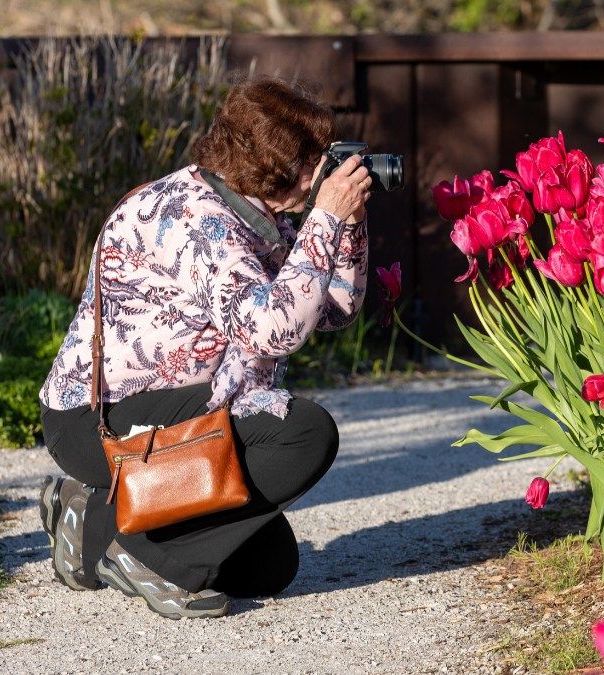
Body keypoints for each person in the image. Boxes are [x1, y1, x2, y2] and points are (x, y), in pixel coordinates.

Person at [37, 76, 371, 619]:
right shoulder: (200, 220)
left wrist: (347, 226)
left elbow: (332, 308)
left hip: (175, 412)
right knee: (305, 436)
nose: (320, 177)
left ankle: (93, 519)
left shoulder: (251, 209)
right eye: (313, 162)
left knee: (268, 566)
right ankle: (145, 556)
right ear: (273, 166)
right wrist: (325, 219)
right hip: (99, 421)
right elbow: (270, 331)